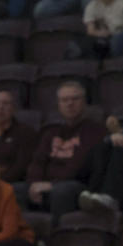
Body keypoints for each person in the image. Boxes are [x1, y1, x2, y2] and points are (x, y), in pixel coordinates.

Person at [26, 82, 107, 221]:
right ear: (59, 104)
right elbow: (38, 161)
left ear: (84, 102)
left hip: (79, 185)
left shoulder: (95, 131)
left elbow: (79, 165)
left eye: (75, 99)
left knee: (61, 192)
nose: (70, 104)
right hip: (47, 184)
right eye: (64, 100)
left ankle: (59, 238)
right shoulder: (51, 132)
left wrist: (52, 184)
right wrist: (34, 183)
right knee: (12, 191)